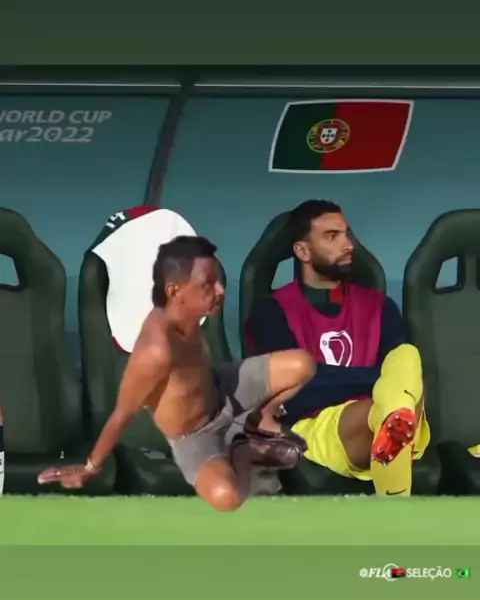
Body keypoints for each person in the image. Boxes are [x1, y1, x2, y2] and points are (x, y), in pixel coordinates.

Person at [38, 236, 315, 510]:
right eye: (208, 283)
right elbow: (122, 413)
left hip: (222, 388)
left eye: (219, 281)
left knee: (303, 364)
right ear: (174, 291)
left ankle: (255, 422)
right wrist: (90, 467)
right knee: (227, 498)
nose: (221, 290)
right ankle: (243, 454)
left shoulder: (193, 314)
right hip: (196, 435)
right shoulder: (156, 351)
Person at [246, 200, 431, 497]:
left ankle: (392, 422)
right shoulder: (271, 312)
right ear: (302, 251)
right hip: (317, 425)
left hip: (394, 414)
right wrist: (379, 381)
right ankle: (392, 426)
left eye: (346, 234)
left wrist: (331, 378)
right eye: (332, 236)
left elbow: (405, 375)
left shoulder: (380, 306)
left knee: (407, 356)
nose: (348, 244)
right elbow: (295, 392)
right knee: (393, 402)